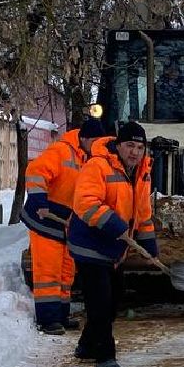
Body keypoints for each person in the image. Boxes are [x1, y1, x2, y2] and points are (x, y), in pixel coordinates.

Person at [67, 120, 157, 367]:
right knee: (101, 303)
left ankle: (86, 345)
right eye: (130, 145)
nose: (135, 152)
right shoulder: (97, 165)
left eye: (140, 147)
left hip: (115, 248)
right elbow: (85, 202)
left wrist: (148, 241)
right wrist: (115, 224)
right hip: (90, 244)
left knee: (114, 299)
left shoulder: (141, 172)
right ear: (118, 146)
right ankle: (104, 356)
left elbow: (143, 212)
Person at [23, 116, 110, 334]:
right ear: (86, 138)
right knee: (48, 272)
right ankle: (48, 320)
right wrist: (40, 201)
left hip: (66, 223)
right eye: (97, 142)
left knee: (66, 271)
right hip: (45, 220)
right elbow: (35, 172)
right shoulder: (61, 151)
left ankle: (61, 314)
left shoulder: (88, 158)